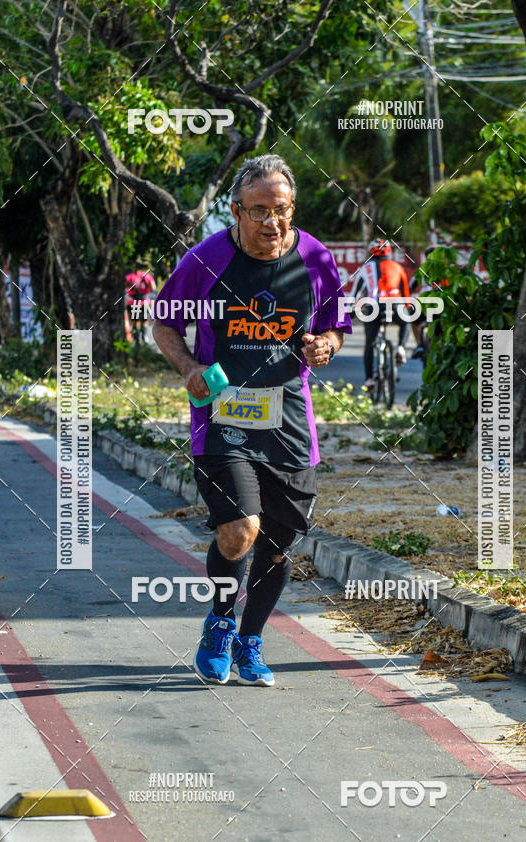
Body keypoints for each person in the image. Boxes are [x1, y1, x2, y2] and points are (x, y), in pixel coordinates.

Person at [152, 154, 352, 687]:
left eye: (281, 210)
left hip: (289, 419)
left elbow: (336, 328)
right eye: (259, 211)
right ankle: (219, 623)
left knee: (278, 544)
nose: (272, 223)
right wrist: (190, 367)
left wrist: (323, 346)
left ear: (292, 209)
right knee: (240, 532)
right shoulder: (206, 259)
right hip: (224, 417)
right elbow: (164, 324)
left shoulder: (316, 258)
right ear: (237, 211)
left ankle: (251, 640)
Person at [351, 241, 411, 390]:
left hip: (373, 307)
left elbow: (354, 294)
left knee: (370, 343)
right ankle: (401, 348)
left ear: (371, 253)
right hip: (395, 303)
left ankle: (369, 379)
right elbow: (405, 293)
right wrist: (407, 308)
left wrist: (351, 310)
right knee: (406, 323)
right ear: (389, 252)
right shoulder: (398, 267)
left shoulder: (365, 268)